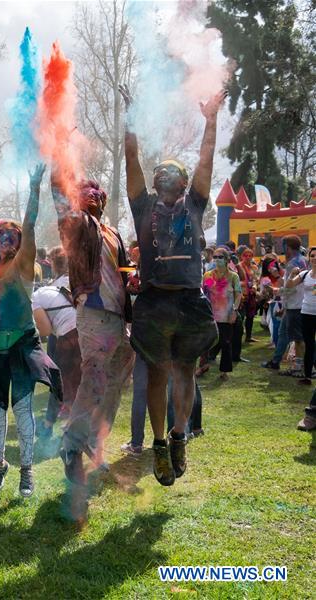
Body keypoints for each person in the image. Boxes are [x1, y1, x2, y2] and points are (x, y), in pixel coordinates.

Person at [120, 85, 224, 486]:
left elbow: (206, 163)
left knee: (185, 371)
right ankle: (160, 443)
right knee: (158, 374)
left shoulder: (194, 204)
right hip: (153, 303)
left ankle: (180, 435)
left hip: (190, 301)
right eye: (160, 173)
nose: (165, 177)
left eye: (174, 174)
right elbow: (132, 161)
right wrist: (130, 120)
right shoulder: (142, 205)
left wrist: (211, 120)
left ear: (182, 184)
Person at [0, 164, 57, 498]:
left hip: (21, 347)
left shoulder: (24, 266)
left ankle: (26, 470)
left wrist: (34, 190)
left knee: (22, 410)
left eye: (13, 235)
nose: (6, 239)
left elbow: (31, 226)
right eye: (0, 235)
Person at [50, 171, 134, 497]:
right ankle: (71, 444)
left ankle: (94, 440)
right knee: (95, 374)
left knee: (117, 377)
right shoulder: (78, 225)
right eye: (86, 191)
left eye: (98, 191)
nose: (94, 195)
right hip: (93, 309)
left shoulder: (112, 232)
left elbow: (124, 270)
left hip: (117, 316)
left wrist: (133, 281)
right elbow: (62, 208)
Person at [31, 246, 80, 437]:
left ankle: (51, 424)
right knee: (82, 383)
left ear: (52, 264)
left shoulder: (42, 293)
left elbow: (45, 330)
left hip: (68, 339)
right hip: (90, 334)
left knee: (60, 382)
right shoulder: (82, 284)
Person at [263, 235, 308, 376]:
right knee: (283, 333)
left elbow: (291, 287)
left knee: (299, 338)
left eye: (283, 246)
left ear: (287, 247)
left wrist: (276, 290)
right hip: (294, 305)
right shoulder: (303, 260)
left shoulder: (293, 263)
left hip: (296, 305)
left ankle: (299, 367)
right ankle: (276, 361)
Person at [202, 247, 242, 380]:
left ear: (227, 260)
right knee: (206, 342)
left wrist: (235, 311)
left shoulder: (233, 276)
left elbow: (238, 294)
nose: (217, 260)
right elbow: (205, 292)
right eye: (215, 257)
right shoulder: (208, 275)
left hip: (226, 316)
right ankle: (203, 366)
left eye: (220, 257)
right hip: (210, 315)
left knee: (226, 343)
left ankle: (224, 371)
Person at [285, 246, 316, 385]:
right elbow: (290, 285)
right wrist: (291, 275)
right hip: (306, 313)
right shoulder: (305, 274)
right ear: (309, 258)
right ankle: (308, 376)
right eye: (312, 256)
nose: (314, 258)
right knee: (309, 345)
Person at [236, 245, 259, 345]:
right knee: (241, 315)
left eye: (250, 255)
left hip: (251, 294)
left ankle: (248, 337)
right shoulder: (239, 266)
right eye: (246, 255)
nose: (248, 257)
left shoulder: (254, 267)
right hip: (242, 295)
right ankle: (238, 337)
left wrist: (254, 286)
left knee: (251, 316)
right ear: (241, 256)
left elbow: (255, 279)